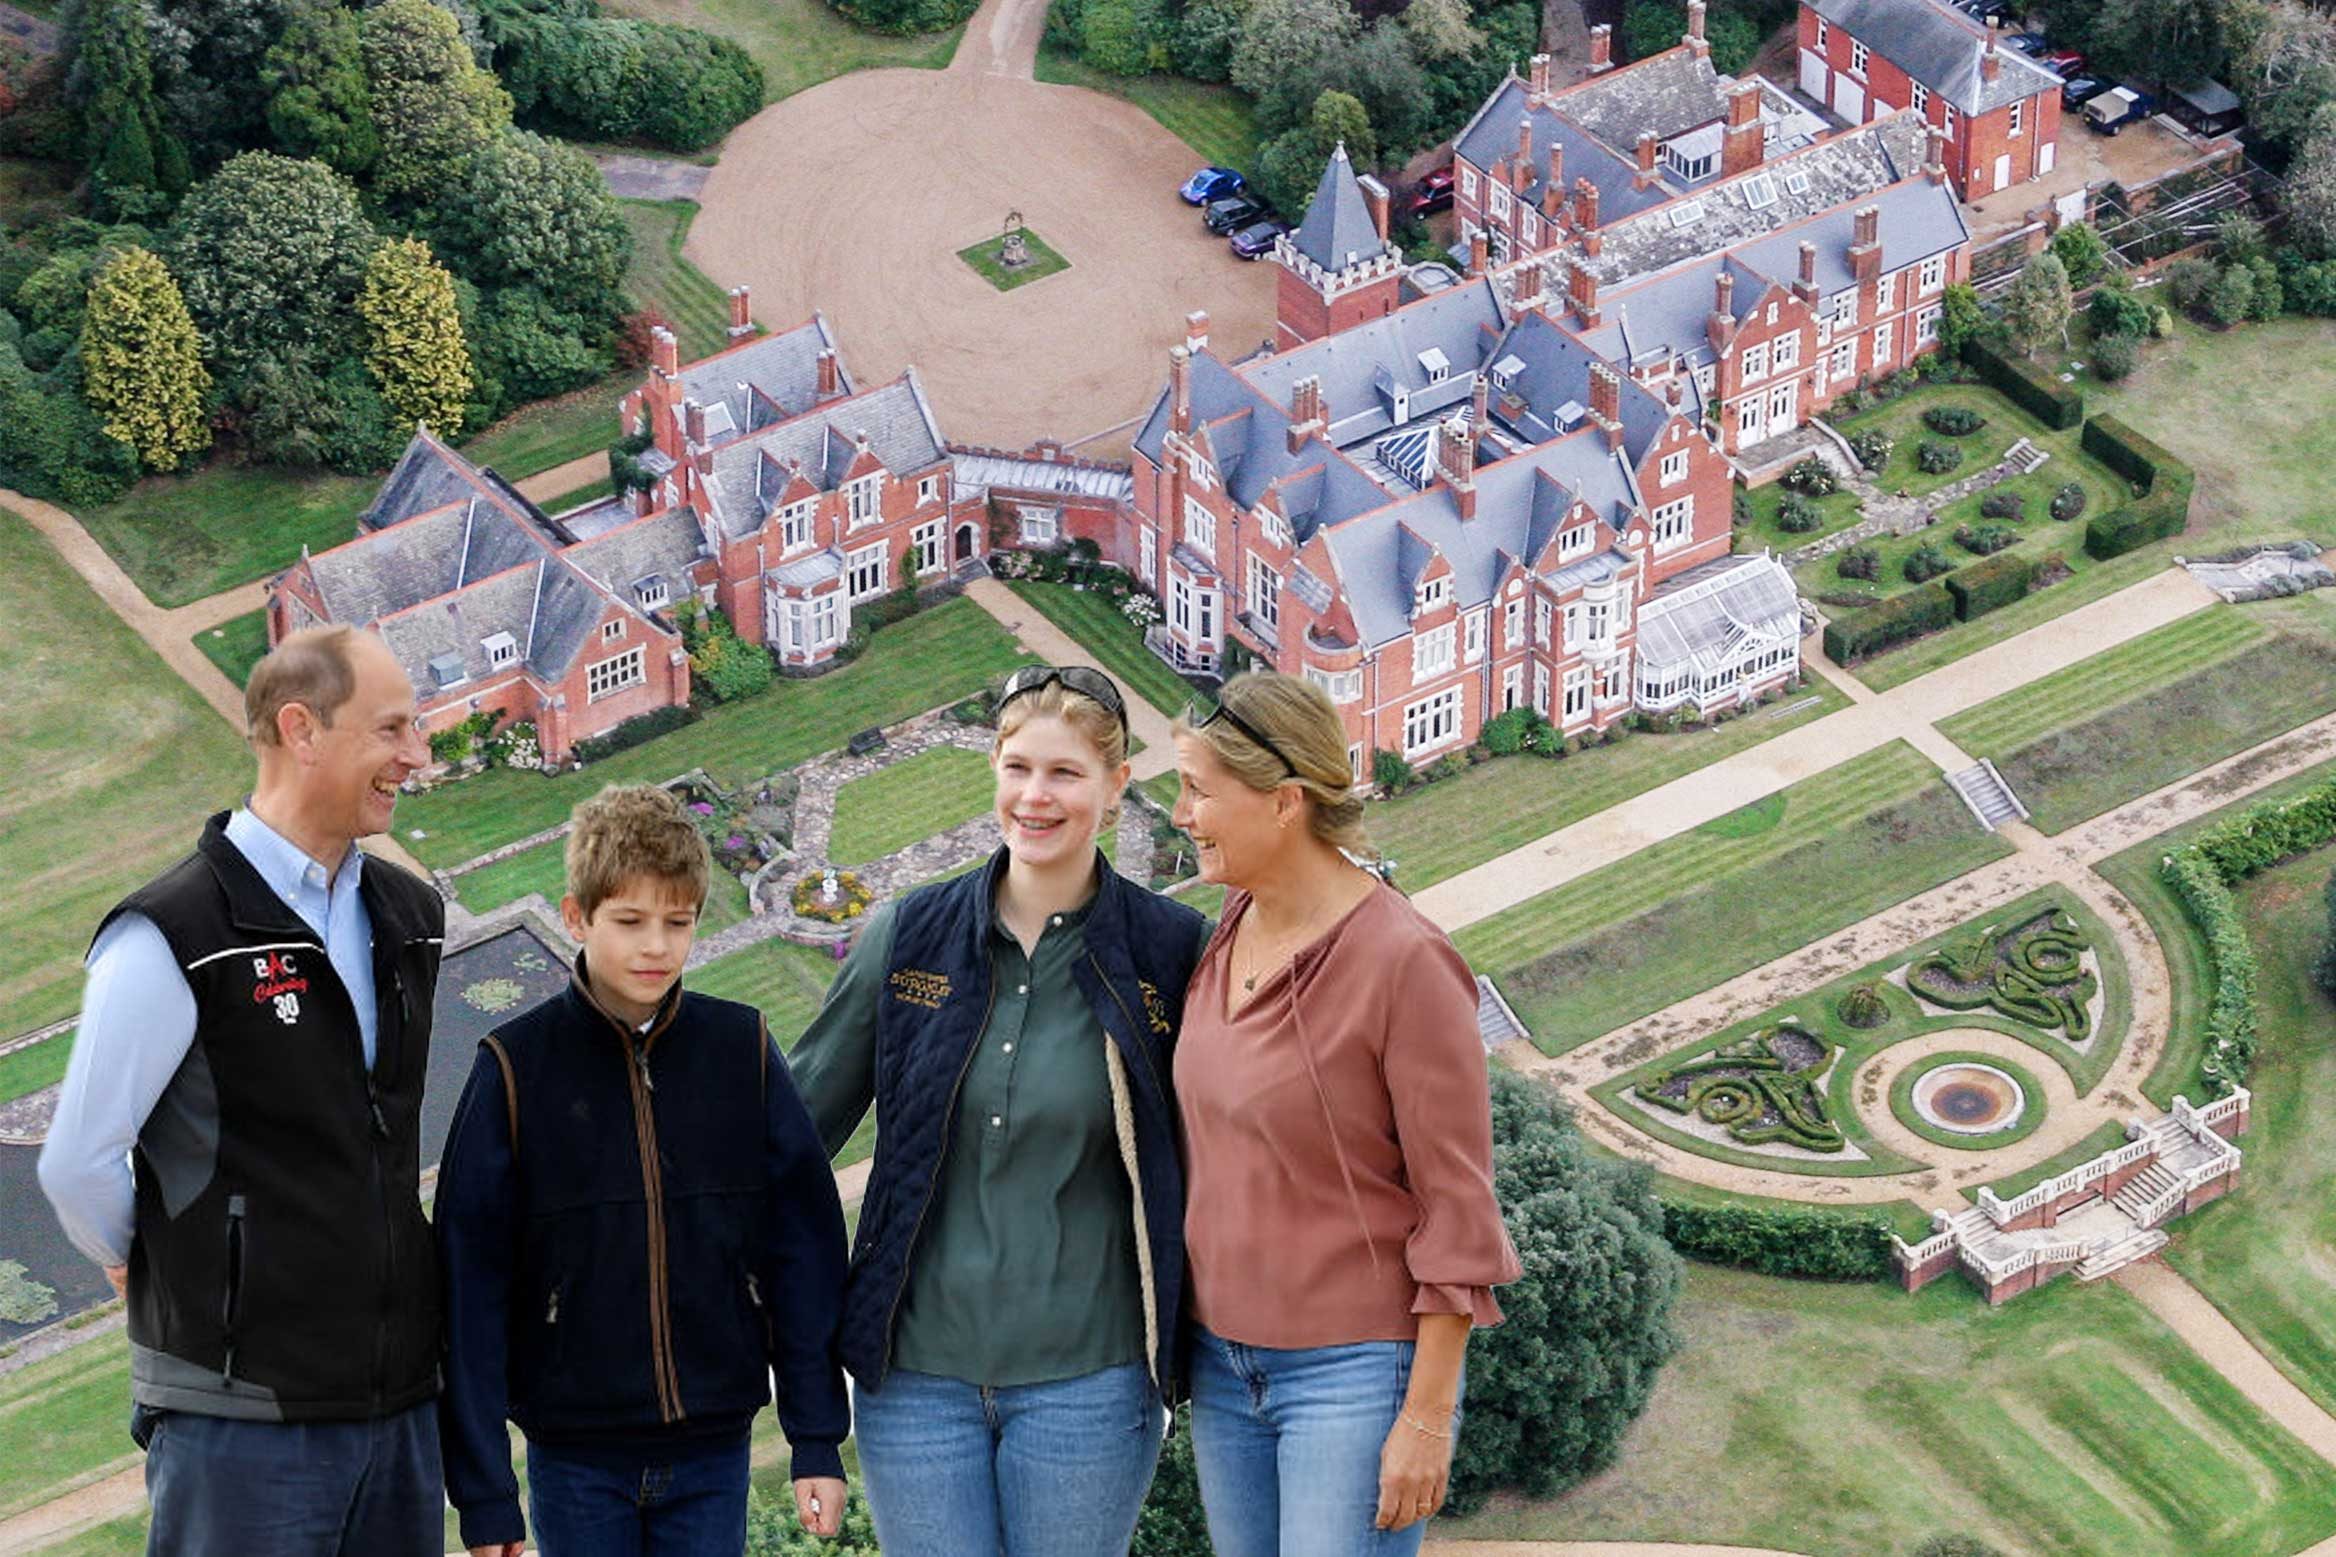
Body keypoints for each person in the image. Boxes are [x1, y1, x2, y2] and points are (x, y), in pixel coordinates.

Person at [37, 624, 447, 1556]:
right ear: (302, 729)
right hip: (238, 1422)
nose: (415, 756)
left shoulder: (412, 919)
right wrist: (158, 1266)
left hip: (397, 1409)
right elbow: (77, 1164)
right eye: (391, 729)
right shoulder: (170, 934)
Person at [790, 665, 1210, 1557]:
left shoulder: (1173, 952)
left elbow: (1238, 1143)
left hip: (1089, 1383)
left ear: (1117, 783)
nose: (1035, 795)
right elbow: (785, 1138)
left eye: (1065, 773)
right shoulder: (908, 934)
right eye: (1018, 767)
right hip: (912, 1382)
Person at [434, 783, 850, 1556]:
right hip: (576, 1461)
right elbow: (468, 1290)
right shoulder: (512, 1071)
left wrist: (817, 1435)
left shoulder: (743, 1051)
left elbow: (806, 1250)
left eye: (678, 922)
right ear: (575, 917)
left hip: (715, 1451)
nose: (655, 945)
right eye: (628, 921)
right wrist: (486, 1493)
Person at [1168, 672, 1522, 1557]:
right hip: (1221, 1363)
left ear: (1284, 802)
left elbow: (1459, 1209)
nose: (1180, 815)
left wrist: (1427, 1420)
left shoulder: (1405, 962)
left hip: (1353, 1372)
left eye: (1199, 792)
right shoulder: (1233, 918)